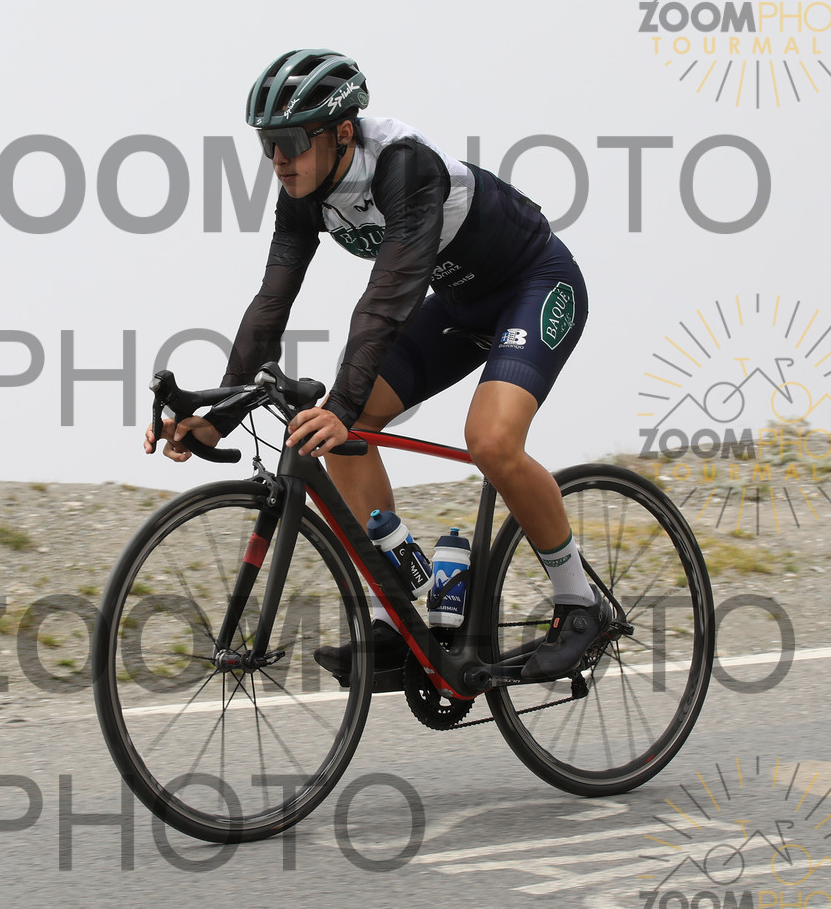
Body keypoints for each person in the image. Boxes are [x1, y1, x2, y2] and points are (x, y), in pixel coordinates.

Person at [144, 48, 610, 681]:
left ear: (341, 132)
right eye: (266, 144)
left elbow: (388, 295)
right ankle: (397, 621)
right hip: (459, 303)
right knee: (338, 433)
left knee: (491, 441)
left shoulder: (404, 165)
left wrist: (340, 403)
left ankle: (579, 605)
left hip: (534, 284)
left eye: (290, 141)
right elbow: (270, 305)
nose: (278, 159)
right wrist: (216, 417)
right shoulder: (303, 191)